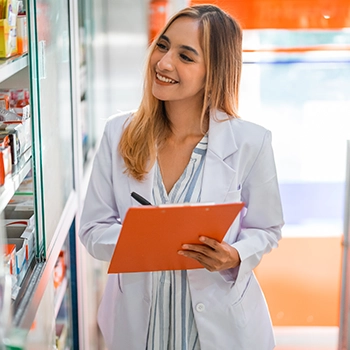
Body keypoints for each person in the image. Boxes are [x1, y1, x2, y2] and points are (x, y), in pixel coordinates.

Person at [79, 4, 284, 350]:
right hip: (139, 330)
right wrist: (145, 242)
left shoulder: (251, 142)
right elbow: (92, 228)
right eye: (163, 45)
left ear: (214, 71)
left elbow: (267, 229)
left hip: (219, 330)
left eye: (186, 57)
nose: (164, 63)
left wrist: (234, 255)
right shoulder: (119, 134)